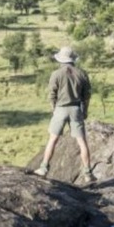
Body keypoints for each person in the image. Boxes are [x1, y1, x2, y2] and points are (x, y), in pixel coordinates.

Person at [33, 47, 96, 184]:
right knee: (82, 142)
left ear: (60, 59)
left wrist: (54, 109)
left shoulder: (56, 74)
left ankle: (44, 168)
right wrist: (84, 111)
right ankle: (88, 173)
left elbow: (51, 95)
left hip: (60, 109)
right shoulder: (82, 73)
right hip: (76, 109)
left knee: (53, 140)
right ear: (73, 59)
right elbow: (86, 96)